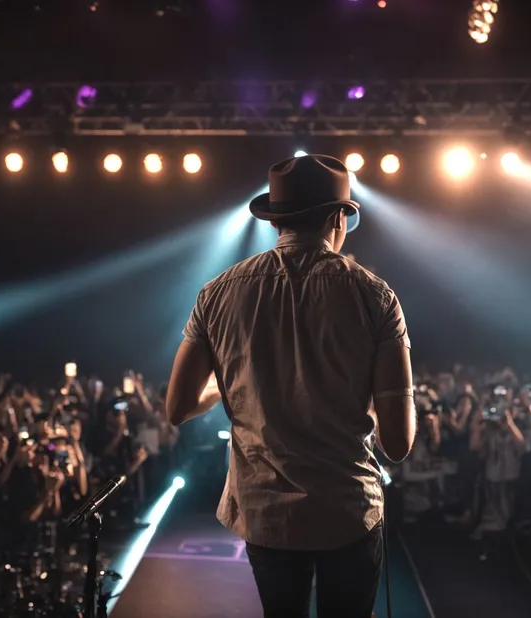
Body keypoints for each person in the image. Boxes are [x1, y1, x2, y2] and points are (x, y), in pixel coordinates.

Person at [166, 154, 416, 618]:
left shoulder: (216, 293)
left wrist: (235, 380)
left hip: (266, 513)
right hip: (347, 508)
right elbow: (398, 444)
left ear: (276, 220)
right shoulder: (375, 296)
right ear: (337, 217)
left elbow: (177, 407)